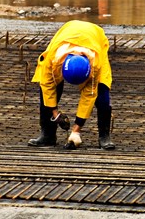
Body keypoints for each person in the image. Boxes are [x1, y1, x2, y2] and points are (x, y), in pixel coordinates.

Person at [29, 20, 115, 150]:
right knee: (46, 88)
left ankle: (104, 137)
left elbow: (88, 96)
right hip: (67, 32)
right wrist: (56, 115)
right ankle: (47, 136)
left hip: (95, 39)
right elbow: (47, 86)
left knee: (101, 91)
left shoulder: (95, 64)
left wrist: (76, 131)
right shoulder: (52, 60)